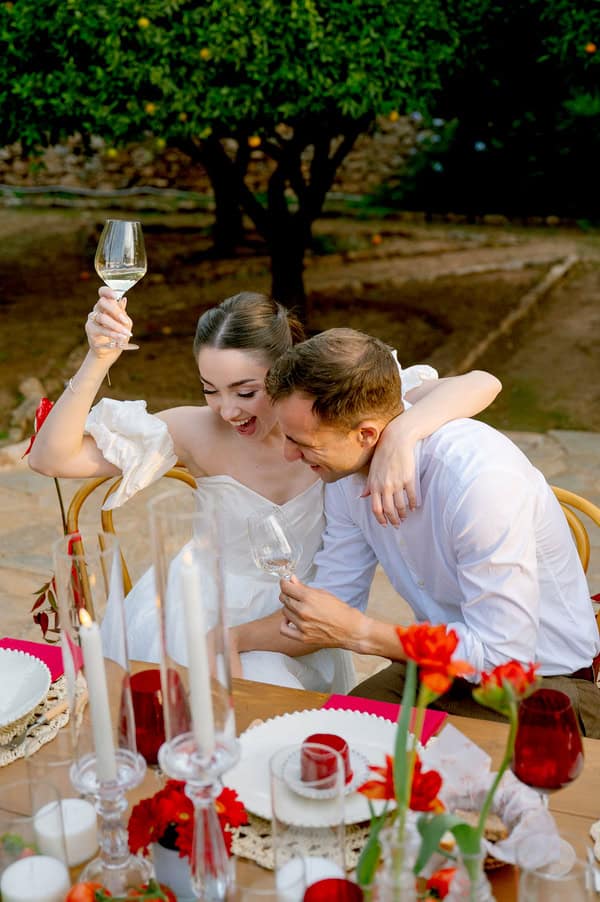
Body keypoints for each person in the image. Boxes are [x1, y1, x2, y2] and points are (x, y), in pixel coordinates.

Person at [29, 291, 500, 692]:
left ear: (285, 370)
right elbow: (51, 459)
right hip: (197, 608)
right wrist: (99, 359)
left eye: (244, 390)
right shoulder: (195, 429)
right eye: (210, 388)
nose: (227, 409)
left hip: (302, 618)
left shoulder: (334, 419)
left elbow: (483, 381)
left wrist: (402, 434)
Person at [256, 327, 600, 735]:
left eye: (302, 441)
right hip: (437, 672)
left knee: (402, 780)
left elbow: (504, 656)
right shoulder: (345, 478)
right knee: (320, 744)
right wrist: (222, 639)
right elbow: (335, 596)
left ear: (366, 433)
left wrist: (362, 633)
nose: (289, 454)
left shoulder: (477, 482)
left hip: (541, 687)